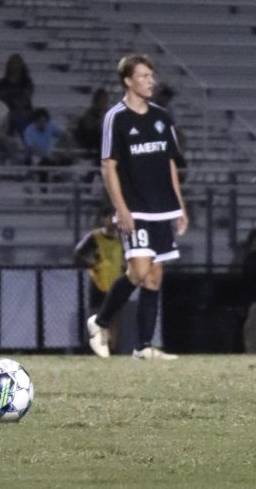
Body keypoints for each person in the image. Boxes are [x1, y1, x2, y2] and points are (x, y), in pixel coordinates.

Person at [87, 55, 189, 361]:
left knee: (154, 277)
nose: (150, 81)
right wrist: (122, 209)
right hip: (136, 208)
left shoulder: (162, 117)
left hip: (162, 209)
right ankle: (100, 322)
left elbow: (170, 163)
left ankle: (143, 346)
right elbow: (108, 166)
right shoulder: (116, 118)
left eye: (151, 76)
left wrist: (180, 207)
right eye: (143, 76)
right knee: (139, 270)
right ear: (128, 81)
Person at [74, 209, 124, 351]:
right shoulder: (95, 237)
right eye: (110, 217)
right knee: (95, 314)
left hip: (115, 281)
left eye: (115, 218)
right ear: (104, 219)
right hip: (99, 281)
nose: (113, 221)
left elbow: (127, 256)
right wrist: (92, 263)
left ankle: (113, 347)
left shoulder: (121, 237)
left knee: (114, 315)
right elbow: (78, 252)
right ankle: (90, 346)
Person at [0, 53, 34, 134]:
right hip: (6, 112)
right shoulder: (2, 83)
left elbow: (25, 100)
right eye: (12, 63)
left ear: (21, 65)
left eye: (17, 63)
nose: (14, 66)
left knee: (20, 118)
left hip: (23, 112)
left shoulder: (27, 82)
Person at [73, 88, 110, 162]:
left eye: (104, 101)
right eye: (101, 101)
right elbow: (88, 128)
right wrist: (99, 123)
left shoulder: (108, 113)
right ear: (95, 102)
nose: (102, 104)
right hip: (90, 141)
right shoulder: (89, 114)